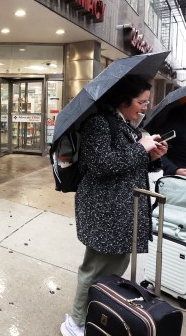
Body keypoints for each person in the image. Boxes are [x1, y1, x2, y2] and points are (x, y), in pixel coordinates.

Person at [60, 75, 168, 336]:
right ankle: (75, 322)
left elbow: (127, 164)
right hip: (105, 211)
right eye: (141, 102)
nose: (145, 107)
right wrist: (140, 148)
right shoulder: (99, 124)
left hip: (120, 212)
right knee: (95, 269)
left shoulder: (126, 126)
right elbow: (101, 165)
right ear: (123, 100)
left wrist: (152, 156)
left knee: (112, 269)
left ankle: (97, 312)